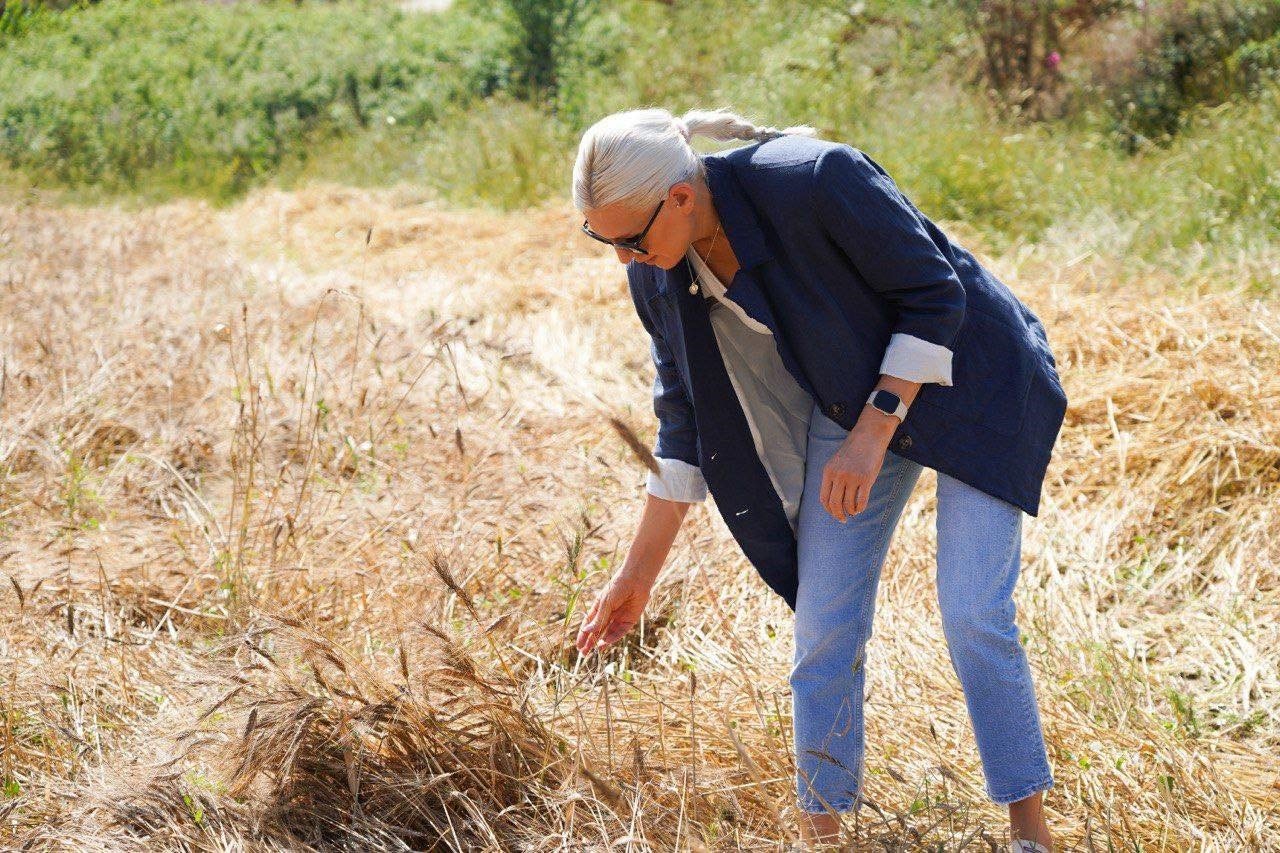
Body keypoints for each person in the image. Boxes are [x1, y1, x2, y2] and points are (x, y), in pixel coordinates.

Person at [570, 107, 1066, 853]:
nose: (623, 260)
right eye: (603, 241)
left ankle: (1029, 829)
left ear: (679, 196)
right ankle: (825, 836)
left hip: (971, 378)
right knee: (823, 628)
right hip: (853, 395)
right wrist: (637, 577)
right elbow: (683, 422)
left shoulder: (813, 179)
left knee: (972, 612)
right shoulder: (659, 277)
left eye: (630, 239)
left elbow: (937, 295)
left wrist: (872, 434)